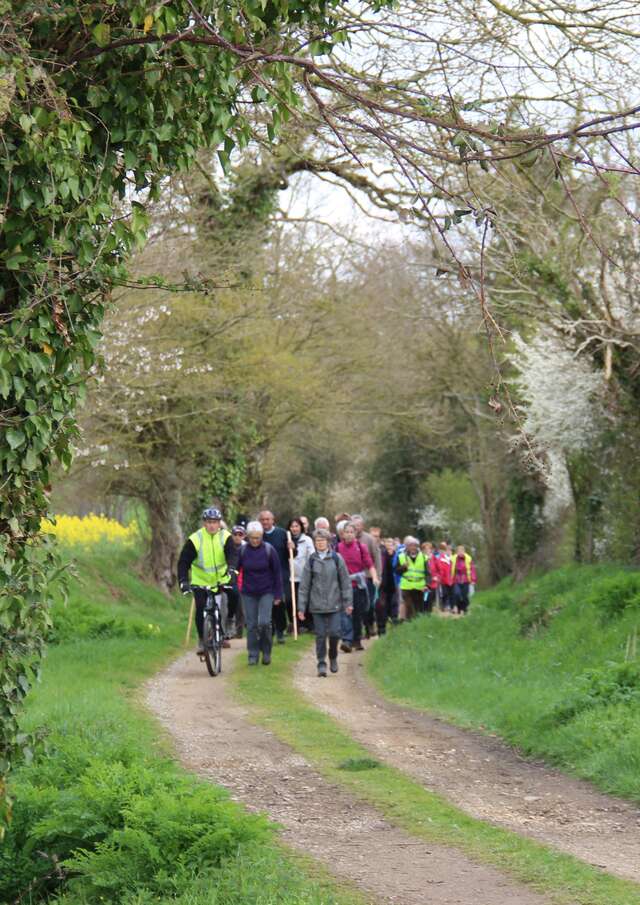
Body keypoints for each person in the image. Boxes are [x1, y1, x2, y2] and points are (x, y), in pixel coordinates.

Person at [178, 507, 234, 653]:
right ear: (204, 523)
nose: (212, 525)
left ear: (219, 523)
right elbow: (183, 562)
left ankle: (225, 629)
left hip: (220, 580)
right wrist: (183, 581)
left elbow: (232, 555)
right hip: (200, 582)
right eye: (209, 522)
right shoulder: (196, 539)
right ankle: (202, 640)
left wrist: (232, 569)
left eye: (214, 522)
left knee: (228, 602)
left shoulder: (225, 537)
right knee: (201, 609)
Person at [297, 528, 353, 677]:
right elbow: (304, 586)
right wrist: (301, 607)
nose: (320, 543)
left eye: (322, 541)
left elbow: (345, 582)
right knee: (320, 635)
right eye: (317, 541)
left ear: (328, 542)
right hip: (316, 605)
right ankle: (321, 663)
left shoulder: (337, 559)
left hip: (335, 604)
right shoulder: (311, 561)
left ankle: (333, 656)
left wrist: (348, 602)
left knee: (335, 633)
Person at [238, 521, 283, 665]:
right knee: (251, 625)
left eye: (258, 538)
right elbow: (235, 569)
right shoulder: (243, 551)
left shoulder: (269, 550)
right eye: (252, 538)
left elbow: (277, 573)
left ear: (262, 537)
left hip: (266, 591)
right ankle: (253, 653)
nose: (255, 541)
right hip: (248, 592)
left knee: (264, 622)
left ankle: (266, 651)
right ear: (248, 537)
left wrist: (278, 595)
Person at [337, 521, 377, 652]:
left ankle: (357, 639)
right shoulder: (338, 548)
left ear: (355, 534)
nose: (349, 535)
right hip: (343, 585)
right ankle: (347, 641)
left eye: (351, 532)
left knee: (357, 614)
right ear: (342, 534)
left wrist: (375, 577)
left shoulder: (361, 547)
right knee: (345, 613)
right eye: (346, 532)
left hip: (358, 585)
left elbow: (369, 564)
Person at [258, 509, 290, 643]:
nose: (265, 522)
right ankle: (269, 632)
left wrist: (291, 548)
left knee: (279, 603)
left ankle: (280, 630)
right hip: (263, 575)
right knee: (266, 604)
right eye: (263, 520)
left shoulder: (282, 534)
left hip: (281, 574)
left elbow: (290, 554)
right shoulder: (256, 535)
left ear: (273, 520)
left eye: (267, 519)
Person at [288, 516, 315, 631]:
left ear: (301, 527)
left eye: (297, 526)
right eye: (292, 526)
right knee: (290, 601)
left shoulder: (307, 540)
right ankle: (295, 623)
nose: (294, 529)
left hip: (304, 576)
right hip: (291, 577)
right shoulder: (287, 540)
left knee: (305, 601)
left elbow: (312, 556)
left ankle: (307, 623)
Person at [395, 536, 430, 621]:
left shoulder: (424, 557)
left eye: (415, 546)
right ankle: (410, 624)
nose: (413, 548)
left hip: (420, 586)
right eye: (410, 546)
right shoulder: (401, 557)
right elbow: (397, 571)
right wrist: (403, 567)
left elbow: (428, 573)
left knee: (418, 608)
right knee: (409, 607)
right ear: (407, 547)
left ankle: (418, 625)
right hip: (406, 586)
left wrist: (427, 585)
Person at [226, 525, 246, 637]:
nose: (237, 537)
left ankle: (239, 631)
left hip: (242, 581)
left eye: (240, 535)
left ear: (244, 536)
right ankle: (230, 630)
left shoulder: (246, 548)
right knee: (230, 605)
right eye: (235, 534)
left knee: (241, 609)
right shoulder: (228, 547)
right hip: (230, 580)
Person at [376, 537, 399, 634]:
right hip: (383, 586)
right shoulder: (381, 555)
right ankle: (381, 629)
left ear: (394, 545)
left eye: (391, 543)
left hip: (394, 586)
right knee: (381, 607)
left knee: (394, 607)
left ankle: (394, 629)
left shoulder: (398, 556)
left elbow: (399, 569)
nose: (389, 544)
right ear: (384, 544)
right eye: (387, 542)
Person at [451, 544, 477, 615]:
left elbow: (472, 569)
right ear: (457, 552)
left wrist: (473, 579)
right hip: (456, 579)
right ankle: (459, 608)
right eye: (459, 551)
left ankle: (464, 608)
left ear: (464, 551)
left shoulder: (468, 559)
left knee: (464, 595)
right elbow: (450, 569)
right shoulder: (453, 559)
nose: (460, 552)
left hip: (465, 579)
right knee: (457, 594)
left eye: (461, 551)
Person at [421, 541, 440, 614]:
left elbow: (439, 570)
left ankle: (428, 614)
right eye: (425, 549)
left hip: (433, 584)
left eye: (428, 549)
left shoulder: (434, 559)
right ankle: (424, 614)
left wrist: (436, 577)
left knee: (431, 600)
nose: (427, 551)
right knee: (425, 599)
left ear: (431, 550)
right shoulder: (421, 558)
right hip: (424, 583)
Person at [436, 541, 453, 612]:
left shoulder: (450, 559)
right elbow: (440, 569)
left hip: (450, 579)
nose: (442, 551)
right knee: (444, 593)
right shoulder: (439, 558)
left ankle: (449, 606)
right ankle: (444, 606)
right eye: (441, 550)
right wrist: (439, 577)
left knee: (450, 593)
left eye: (443, 550)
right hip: (442, 580)